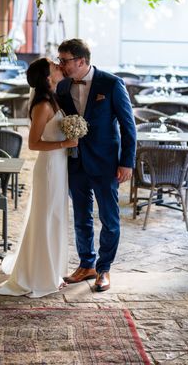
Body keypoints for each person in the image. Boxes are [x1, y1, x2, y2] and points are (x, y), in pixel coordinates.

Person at [0, 58, 78, 298]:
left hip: (59, 166)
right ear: (47, 77)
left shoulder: (53, 97)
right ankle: (41, 276)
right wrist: (65, 142)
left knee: (56, 217)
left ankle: (52, 270)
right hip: (49, 168)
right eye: (53, 66)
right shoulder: (42, 105)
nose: (58, 66)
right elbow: (33, 143)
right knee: (46, 219)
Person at [56, 38, 136, 292]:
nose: (61, 65)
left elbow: (128, 126)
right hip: (75, 162)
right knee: (81, 216)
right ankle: (86, 264)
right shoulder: (62, 87)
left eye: (64, 60)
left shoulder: (111, 84)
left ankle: (104, 269)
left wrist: (127, 162)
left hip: (106, 163)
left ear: (82, 61)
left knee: (109, 218)